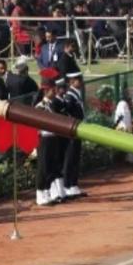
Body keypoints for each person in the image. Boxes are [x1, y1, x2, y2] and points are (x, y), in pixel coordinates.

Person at [34, 69, 67, 206]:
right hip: (44, 139)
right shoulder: (40, 107)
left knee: (50, 167)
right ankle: (40, 193)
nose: (55, 92)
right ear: (46, 90)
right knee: (43, 167)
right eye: (53, 90)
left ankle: (47, 191)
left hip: (52, 138)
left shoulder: (51, 105)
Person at [59, 71, 86, 199]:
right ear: (71, 82)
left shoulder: (76, 94)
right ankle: (68, 184)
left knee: (75, 157)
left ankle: (73, 184)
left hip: (78, 130)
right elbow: (68, 113)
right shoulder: (70, 96)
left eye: (80, 79)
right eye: (77, 80)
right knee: (70, 157)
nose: (80, 82)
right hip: (72, 131)